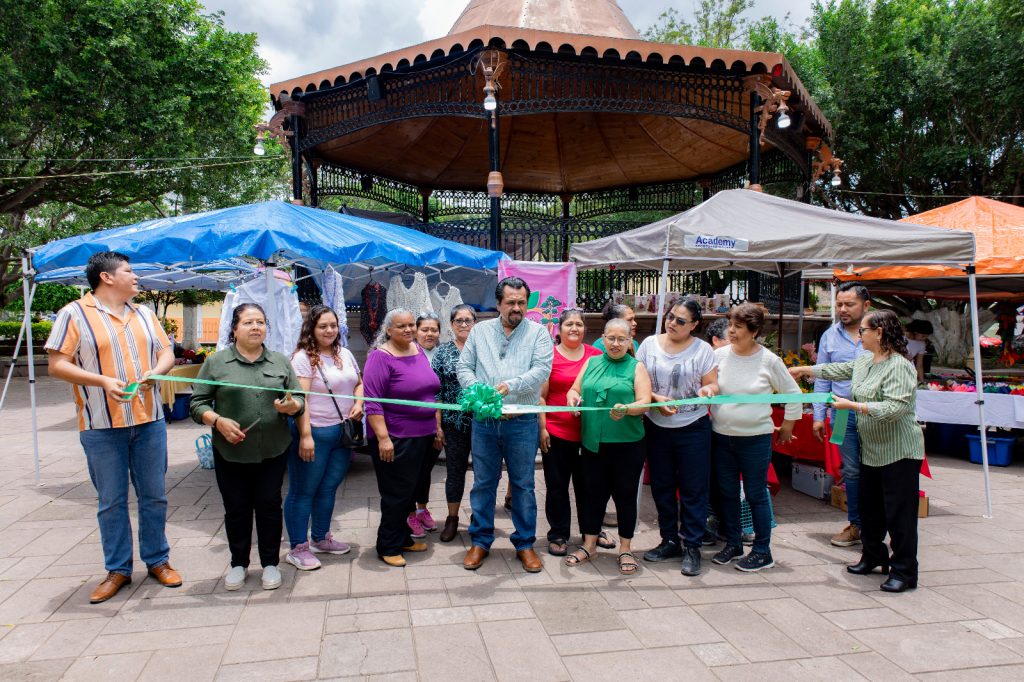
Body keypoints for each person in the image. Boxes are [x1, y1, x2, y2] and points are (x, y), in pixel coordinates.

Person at [46, 251, 181, 604]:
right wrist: (102, 381)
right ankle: (118, 569)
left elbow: (166, 352)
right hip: (101, 426)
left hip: (150, 420)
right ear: (107, 277)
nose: (136, 277)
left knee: (155, 496)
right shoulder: (73, 314)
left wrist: (158, 371)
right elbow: (57, 364)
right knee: (112, 501)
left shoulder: (145, 313)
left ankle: (158, 560)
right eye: (129, 271)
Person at [791, 310, 924, 592]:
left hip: (899, 452)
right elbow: (839, 369)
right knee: (870, 509)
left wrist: (853, 407)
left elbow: (895, 408)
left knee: (899, 515)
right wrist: (807, 370)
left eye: (863, 330)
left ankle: (904, 571)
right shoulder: (865, 359)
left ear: (879, 332)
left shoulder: (899, 366)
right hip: (872, 449)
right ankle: (873, 556)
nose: (858, 335)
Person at [190, 303, 305, 591]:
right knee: (236, 508)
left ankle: (269, 563)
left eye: (261, 322)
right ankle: (238, 563)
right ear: (235, 328)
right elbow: (197, 403)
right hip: (231, 452)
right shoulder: (216, 363)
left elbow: (300, 399)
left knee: (269, 505)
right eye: (248, 322)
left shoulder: (280, 362)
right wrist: (216, 421)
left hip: (273, 450)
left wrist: (292, 405)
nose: (256, 327)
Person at [457, 277, 553, 573]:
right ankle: (481, 540)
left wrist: (506, 387)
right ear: (498, 304)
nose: (516, 308)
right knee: (483, 483)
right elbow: (464, 366)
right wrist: (479, 392)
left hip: (522, 422)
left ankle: (524, 544)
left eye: (521, 302)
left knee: (523, 485)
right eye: (510, 302)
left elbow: (542, 369)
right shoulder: (480, 331)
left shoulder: (539, 333)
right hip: (485, 423)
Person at [710, 303, 800, 572]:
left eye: (738, 327)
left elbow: (793, 394)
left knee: (755, 493)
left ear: (755, 331)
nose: (732, 331)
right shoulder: (719, 355)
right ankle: (734, 543)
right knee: (726, 492)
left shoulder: (769, 360)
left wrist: (788, 426)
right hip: (721, 436)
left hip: (755, 439)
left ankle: (762, 550)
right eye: (731, 326)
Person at [563, 319, 652, 575]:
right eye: (610, 338)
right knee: (593, 495)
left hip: (627, 446)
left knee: (625, 496)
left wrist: (627, 409)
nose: (615, 344)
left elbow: (645, 402)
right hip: (593, 443)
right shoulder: (591, 363)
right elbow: (574, 389)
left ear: (629, 341)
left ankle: (625, 548)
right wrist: (573, 399)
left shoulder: (636, 367)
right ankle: (589, 545)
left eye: (621, 339)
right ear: (602, 338)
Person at [637, 299, 718, 576]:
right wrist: (656, 400)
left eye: (680, 321)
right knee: (662, 486)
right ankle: (669, 539)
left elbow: (712, 383)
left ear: (695, 325)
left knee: (693, 488)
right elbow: (639, 382)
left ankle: (692, 545)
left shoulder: (703, 350)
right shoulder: (649, 345)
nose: (672, 323)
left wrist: (710, 391)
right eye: (671, 317)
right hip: (657, 426)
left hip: (693, 426)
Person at [284, 305, 363, 571]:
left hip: (341, 432)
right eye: (323, 326)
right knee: (302, 491)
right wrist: (305, 436)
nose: (329, 331)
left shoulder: (346, 353)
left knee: (328, 488)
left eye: (333, 325)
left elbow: (358, 382)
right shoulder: (302, 358)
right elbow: (300, 400)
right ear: (311, 329)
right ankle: (298, 547)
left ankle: (320, 538)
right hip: (314, 432)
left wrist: (359, 403)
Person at [363, 308, 442, 567]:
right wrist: (383, 438)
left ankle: (403, 538)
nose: (408, 330)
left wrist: (436, 428)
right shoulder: (380, 357)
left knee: (411, 491)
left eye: (411, 325)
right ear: (388, 329)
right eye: (401, 326)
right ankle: (387, 545)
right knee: (396, 493)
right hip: (396, 437)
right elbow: (373, 403)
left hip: (424, 435)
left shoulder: (417, 350)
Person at [538, 308, 612, 556]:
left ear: (585, 329)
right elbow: (541, 397)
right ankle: (558, 533)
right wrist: (543, 427)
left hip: (590, 433)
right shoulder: (549, 356)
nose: (574, 328)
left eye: (579, 324)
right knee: (557, 486)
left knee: (591, 486)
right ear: (559, 329)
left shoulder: (596, 355)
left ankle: (591, 530)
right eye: (569, 323)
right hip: (557, 432)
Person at [814, 282, 871, 548]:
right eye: (839, 304)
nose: (843, 309)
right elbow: (822, 378)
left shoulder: (879, 333)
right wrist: (818, 415)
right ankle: (856, 525)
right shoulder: (829, 336)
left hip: (874, 414)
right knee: (851, 470)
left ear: (866, 306)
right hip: (841, 416)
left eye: (849, 304)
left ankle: (879, 526)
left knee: (878, 469)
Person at [431, 304, 478, 542]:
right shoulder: (442, 352)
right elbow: (435, 392)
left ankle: (479, 518)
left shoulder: (482, 350)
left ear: (475, 323)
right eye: (458, 320)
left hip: (482, 423)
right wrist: (438, 426)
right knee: (455, 471)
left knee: (484, 473)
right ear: (451, 325)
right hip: (452, 424)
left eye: (468, 320)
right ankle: (452, 519)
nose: (463, 325)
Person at [407, 311, 444, 536]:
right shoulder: (408, 354)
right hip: (413, 425)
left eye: (434, 330)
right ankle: (409, 513)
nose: (429, 334)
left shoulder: (441, 355)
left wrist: (439, 427)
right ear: (416, 332)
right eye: (425, 329)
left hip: (436, 423)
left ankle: (422, 510)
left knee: (426, 469)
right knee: (412, 470)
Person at [904, 319, 933, 383]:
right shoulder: (900, 337)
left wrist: (922, 382)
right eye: (923, 336)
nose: (924, 338)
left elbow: (919, 365)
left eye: (926, 336)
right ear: (915, 332)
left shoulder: (921, 344)